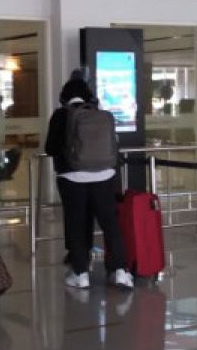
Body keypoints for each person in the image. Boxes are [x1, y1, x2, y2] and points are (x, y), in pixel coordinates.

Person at [44, 78, 134, 291]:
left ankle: (81, 273)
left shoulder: (61, 114)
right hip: (105, 175)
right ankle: (120, 271)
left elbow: (50, 148)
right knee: (109, 223)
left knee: (76, 223)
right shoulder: (101, 114)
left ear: (64, 96)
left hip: (72, 178)